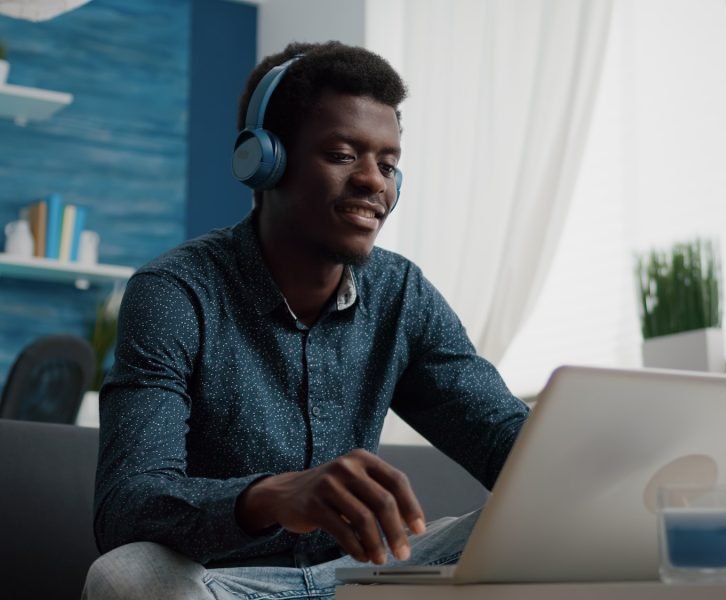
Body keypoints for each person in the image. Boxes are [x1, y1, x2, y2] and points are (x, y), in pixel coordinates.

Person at [82, 40, 529, 599]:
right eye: (343, 155)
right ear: (264, 160)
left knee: (531, 530)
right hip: (222, 583)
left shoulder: (401, 294)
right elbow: (128, 505)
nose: (375, 182)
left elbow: (501, 438)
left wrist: (598, 467)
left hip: (359, 578)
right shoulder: (176, 292)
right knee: (126, 577)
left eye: (389, 165)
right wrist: (271, 496)